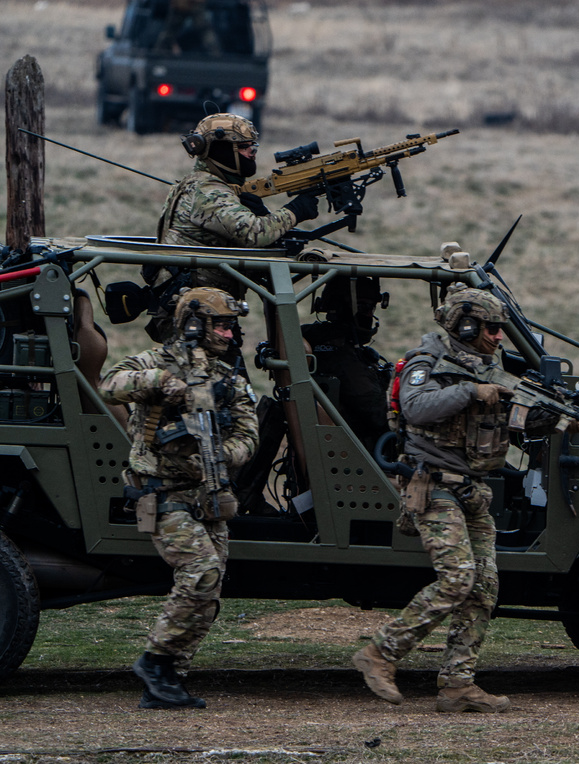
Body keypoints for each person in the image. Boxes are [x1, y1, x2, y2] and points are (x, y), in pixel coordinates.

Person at [352, 284, 562, 713]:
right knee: (456, 580)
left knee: (484, 588)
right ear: (464, 324)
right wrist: (471, 391)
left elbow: (505, 423)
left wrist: (546, 418)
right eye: (490, 328)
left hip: (473, 491)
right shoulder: (425, 361)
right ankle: (380, 653)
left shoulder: (485, 365)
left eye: (500, 329)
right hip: (433, 486)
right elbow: (416, 408)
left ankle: (457, 684)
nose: (498, 337)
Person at [99, 287, 258, 710]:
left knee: (209, 593)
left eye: (230, 326)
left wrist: (220, 455)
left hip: (207, 494)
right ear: (194, 324)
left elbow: (248, 435)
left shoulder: (228, 379)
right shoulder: (154, 362)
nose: (228, 334)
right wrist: (160, 384)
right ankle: (154, 661)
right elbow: (109, 386)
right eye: (220, 325)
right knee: (201, 573)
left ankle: (169, 678)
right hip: (162, 492)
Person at [146, 113, 319, 341]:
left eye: (253, 147)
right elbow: (254, 233)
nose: (252, 153)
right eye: (244, 147)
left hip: (206, 308)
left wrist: (261, 212)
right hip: (196, 316)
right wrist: (296, 210)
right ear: (221, 151)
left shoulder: (207, 184)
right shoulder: (208, 191)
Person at [302, 276, 390, 450]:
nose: (370, 316)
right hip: (357, 454)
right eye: (364, 307)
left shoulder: (316, 340)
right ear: (344, 307)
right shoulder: (338, 353)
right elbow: (376, 411)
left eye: (371, 308)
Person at [153, 0, 220, 56]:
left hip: (195, 4)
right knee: (169, 32)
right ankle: (157, 56)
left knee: (205, 31)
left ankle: (216, 56)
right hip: (180, 4)